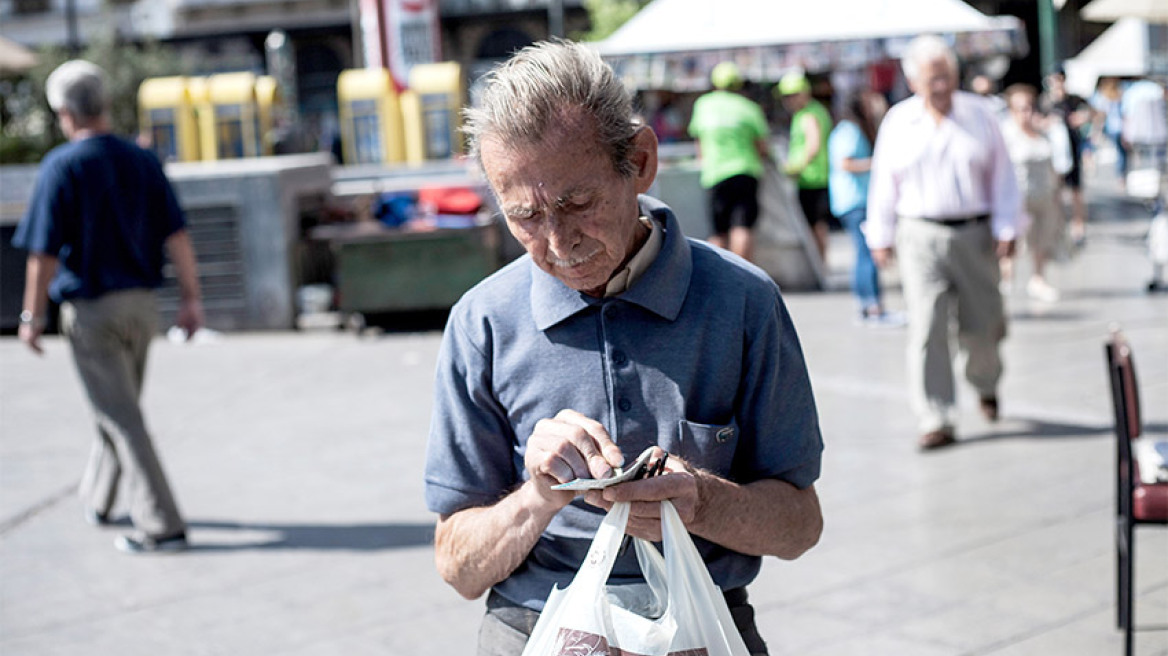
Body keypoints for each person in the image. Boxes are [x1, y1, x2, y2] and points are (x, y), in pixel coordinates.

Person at [423, 41, 824, 655]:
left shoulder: (743, 302)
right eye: (525, 217)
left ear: (639, 161)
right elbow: (458, 566)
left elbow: (800, 526)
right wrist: (539, 497)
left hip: (701, 620)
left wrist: (702, 501)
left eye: (577, 204)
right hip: (533, 625)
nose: (558, 243)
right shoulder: (483, 322)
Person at [13, 60, 204, 553]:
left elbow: (43, 254)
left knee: (120, 415)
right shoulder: (142, 159)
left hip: (93, 311)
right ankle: (99, 499)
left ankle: (163, 526)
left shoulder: (62, 165)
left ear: (64, 112)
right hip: (143, 307)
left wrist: (31, 318)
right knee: (118, 406)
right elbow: (177, 235)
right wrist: (191, 298)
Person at [866, 35, 1020, 450]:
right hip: (919, 233)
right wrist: (878, 236)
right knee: (927, 323)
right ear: (914, 81)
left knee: (984, 323)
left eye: (946, 76)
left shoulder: (980, 113)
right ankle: (936, 416)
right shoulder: (899, 121)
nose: (940, 86)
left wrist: (1008, 228)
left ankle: (985, 383)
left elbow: (1002, 176)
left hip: (974, 230)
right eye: (932, 79)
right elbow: (884, 182)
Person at [827, 89, 902, 325]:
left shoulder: (849, 129)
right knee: (867, 253)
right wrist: (878, 163)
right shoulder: (849, 131)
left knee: (863, 253)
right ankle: (872, 306)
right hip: (856, 200)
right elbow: (846, 163)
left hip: (853, 200)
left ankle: (868, 304)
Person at [687, 61, 770, 262]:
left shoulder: (703, 105)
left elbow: (698, 141)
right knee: (742, 227)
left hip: (714, 174)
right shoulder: (749, 107)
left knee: (718, 230)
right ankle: (742, 274)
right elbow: (762, 146)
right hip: (745, 171)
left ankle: (719, 277)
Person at [999, 84, 1071, 303]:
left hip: (1044, 196)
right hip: (1016, 199)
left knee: (1041, 239)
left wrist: (1059, 194)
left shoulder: (1044, 133)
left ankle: (1038, 279)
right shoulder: (1005, 135)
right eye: (1021, 108)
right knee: (1012, 241)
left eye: (1029, 107)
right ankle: (1006, 280)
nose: (1026, 113)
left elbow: (1056, 165)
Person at [777, 70, 833, 263]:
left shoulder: (809, 114)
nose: (789, 100)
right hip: (810, 178)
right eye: (786, 96)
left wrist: (795, 167)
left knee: (815, 225)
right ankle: (820, 263)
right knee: (814, 224)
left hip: (813, 178)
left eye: (793, 95)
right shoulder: (808, 112)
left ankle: (821, 264)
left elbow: (813, 145)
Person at [1041, 68, 1095, 246]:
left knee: (1076, 193)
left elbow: (1092, 112)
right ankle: (1058, 227)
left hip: (1073, 150)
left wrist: (1082, 117)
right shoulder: (1046, 101)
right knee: (1055, 193)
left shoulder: (1073, 99)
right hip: (1053, 154)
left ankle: (1078, 228)